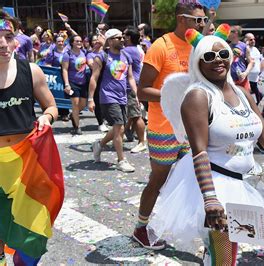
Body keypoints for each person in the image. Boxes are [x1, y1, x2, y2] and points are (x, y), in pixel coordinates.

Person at [146, 25, 264, 265]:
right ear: (198, 62)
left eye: (223, 54)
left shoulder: (242, 93)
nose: (218, 61)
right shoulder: (198, 96)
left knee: (228, 252)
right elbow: (199, 151)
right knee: (224, 258)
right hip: (215, 185)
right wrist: (210, 199)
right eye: (209, 56)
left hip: (243, 184)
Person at [134, 2, 206, 249]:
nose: (202, 25)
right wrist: (177, 94)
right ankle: (141, 229)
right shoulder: (160, 46)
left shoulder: (199, 47)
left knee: (194, 179)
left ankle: (188, 227)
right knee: (159, 180)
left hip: (191, 129)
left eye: (204, 20)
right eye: (197, 20)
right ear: (181, 19)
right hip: (163, 128)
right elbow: (142, 91)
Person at [0, 11, 62, 264]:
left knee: (31, 231)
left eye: (8, 36)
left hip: (28, 165)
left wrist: (47, 118)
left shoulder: (32, 71)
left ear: (16, 40)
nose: (2, 44)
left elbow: (52, 106)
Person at [88, 29, 137, 173]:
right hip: (108, 96)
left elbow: (130, 77)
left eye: (123, 37)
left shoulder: (126, 55)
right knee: (120, 127)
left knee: (118, 127)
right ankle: (121, 160)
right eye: (118, 37)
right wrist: (91, 99)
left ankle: (99, 144)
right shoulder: (102, 56)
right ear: (110, 41)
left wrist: (136, 94)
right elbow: (94, 78)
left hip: (123, 97)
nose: (122, 39)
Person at [123, 26, 147, 153]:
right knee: (132, 114)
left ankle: (142, 142)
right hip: (136, 83)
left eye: (124, 35)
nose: (121, 37)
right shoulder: (137, 49)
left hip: (131, 86)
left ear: (128, 37)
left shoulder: (127, 51)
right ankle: (124, 132)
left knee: (136, 115)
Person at [62, 35, 89, 135]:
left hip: (83, 82)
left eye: (80, 41)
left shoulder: (84, 52)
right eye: (77, 41)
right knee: (76, 104)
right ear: (72, 43)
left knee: (83, 105)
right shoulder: (67, 54)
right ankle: (77, 127)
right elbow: (64, 69)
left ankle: (73, 114)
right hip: (73, 82)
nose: (79, 43)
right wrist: (67, 84)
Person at [86, 34, 108, 132]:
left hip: (108, 80)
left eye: (97, 39)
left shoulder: (106, 52)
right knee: (98, 102)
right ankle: (100, 122)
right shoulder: (90, 54)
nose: (96, 41)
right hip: (97, 80)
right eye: (94, 40)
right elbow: (91, 65)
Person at [229, 25, 254, 92]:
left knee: (245, 100)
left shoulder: (244, 46)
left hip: (242, 80)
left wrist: (245, 73)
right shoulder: (227, 46)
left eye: (229, 31)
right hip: (230, 80)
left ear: (235, 33)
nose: (227, 33)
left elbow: (251, 62)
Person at [245, 32, 263, 105]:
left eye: (254, 39)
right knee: (253, 97)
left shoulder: (255, 49)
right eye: (251, 39)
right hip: (249, 78)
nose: (253, 41)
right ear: (246, 40)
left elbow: (259, 60)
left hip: (257, 78)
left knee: (259, 96)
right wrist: (246, 45)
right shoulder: (245, 49)